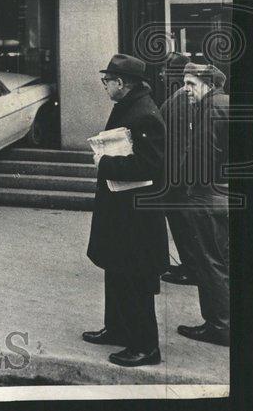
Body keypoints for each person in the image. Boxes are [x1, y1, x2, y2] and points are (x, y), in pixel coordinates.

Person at [84, 54, 168, 367]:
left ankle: (146, 347)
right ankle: (119, 329)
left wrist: (104, 162)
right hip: (123, 212)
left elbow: (149, 164)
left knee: (135, 279)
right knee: (117, 272)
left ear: (122, 83)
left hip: (136, 217)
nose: (104, 85)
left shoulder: (143, 113)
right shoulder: (130, 105)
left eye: (107, 80)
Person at [176, 62, 231, 347]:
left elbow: (202, 156)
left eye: (190, 84)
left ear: (207, 84)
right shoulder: (228, 104)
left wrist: (185, 185)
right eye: (184, 83)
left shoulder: (209, 109)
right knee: (222, 262)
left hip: (206, 197)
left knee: (209, 265)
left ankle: (219, 326)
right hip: (225, 194)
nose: (185, 90)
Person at [158, 52, 198, 286]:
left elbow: (182, 143)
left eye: (166, 70)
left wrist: (176, 179)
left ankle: (191, 269)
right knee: (182, 225)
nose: (162, 74)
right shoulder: (179, 97)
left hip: (178, 179)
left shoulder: (181, 99)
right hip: (179, 176)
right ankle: (189, 266)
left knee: (183, 225)